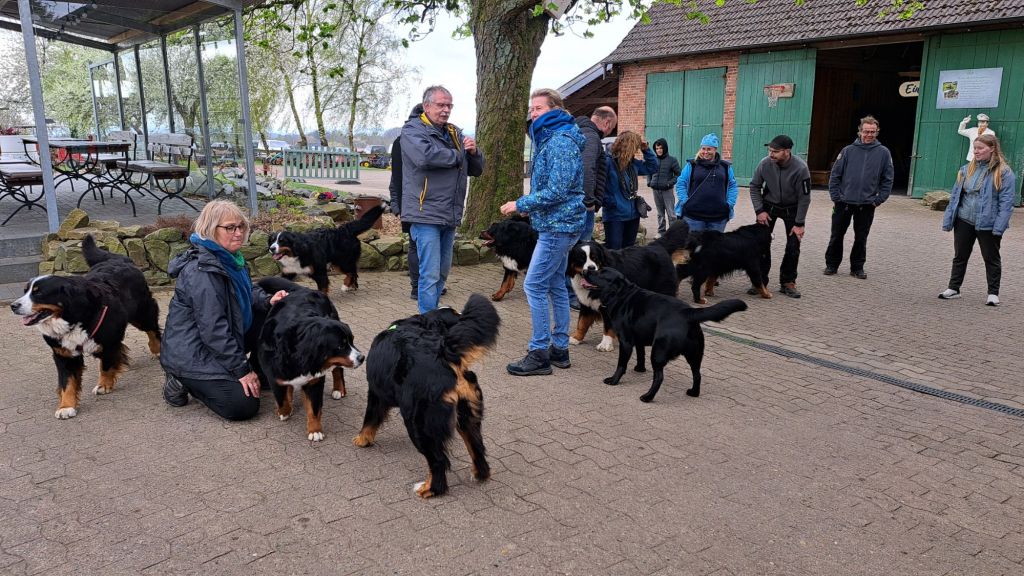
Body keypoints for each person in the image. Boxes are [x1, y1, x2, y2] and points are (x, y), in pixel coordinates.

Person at [161, 200, 287, 420]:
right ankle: (181, 379)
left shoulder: (231, 258)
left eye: (241, 226)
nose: (238, 233)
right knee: (242, 406)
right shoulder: (202, 272)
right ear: (211, 229)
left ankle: (258, 370)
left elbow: (246, 290)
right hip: (194, 352)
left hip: (221, 339)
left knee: (273, 312)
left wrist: (268, 301)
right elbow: (213, 330)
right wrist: (242, 371)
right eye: (230, 228)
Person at [500, 88, 586, 376]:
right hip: (555, 222)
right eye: (532, 109)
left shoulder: (560, 141)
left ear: (556, 109)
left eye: (539, 108)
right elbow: (554, 189)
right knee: (555, 285)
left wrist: (521, 204)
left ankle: (539, 353)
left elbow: (558, 190)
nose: (533, 113)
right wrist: (531, 208)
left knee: (534, 286)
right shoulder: (551, 138)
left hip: (558, 227)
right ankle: (559, 349)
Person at [400, 86, 484, 313]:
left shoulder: (454, 132)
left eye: (449, 105)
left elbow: (475, 170)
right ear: (426, 106)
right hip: (425, 213)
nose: (446, 110)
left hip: (449, 213)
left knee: (442, 272)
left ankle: (433, 312)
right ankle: (428, 320)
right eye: (441, 105)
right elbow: (425, 157)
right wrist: (460, 154)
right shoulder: (412, 131)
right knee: (429, 273)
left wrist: (474, 152)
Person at [938, 133, 1015, 306]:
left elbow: (1006, 203)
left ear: (992, 149)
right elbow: (955, 196)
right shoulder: (966, 169)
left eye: (980, 148)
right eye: (975, 148)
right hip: (964, 219)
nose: (976, 151)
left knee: (991, 258)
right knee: (960, 256)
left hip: (988, 223)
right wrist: (949, 219)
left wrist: (999, 227)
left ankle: (993, 293)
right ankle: (953, 288)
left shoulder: (1004, 172)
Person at [824, 115, 894, 279]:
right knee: (836, 236)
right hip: (843, 203)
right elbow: (835, 175)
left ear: (877, 132)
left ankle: (857, 268)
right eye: (866, 131)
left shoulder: (884, 153)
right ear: (860, 131)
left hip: (867, 204)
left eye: (872, 132)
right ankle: (831, 265)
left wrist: (878, 200)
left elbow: (888, 179)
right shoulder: (847, 151)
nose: (869, 135)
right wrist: (836, 197)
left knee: (861, 238)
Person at [748, 134, 812, 298]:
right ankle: (760, 282)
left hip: (792, 209)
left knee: (793, 246)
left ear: (787, 151)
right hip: (769, 207)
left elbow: (805, 198)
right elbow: (754, 186)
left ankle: (788, 282)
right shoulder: (764, 164)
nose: (771, 154)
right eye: (770, 150)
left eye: (775, 151)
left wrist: (799, 223)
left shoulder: (801, 168)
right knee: (761, 245)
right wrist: (759, 211)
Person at [567, 106, 617, 310]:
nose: (609, 132)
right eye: (611, 128)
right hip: (582, 206)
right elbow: (587, 169)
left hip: (576, 202)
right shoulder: (591, 136)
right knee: (578, 251)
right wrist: (589, 201)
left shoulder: (580, 130)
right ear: (606, 122)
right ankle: (573, 294)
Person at [602, 131, 659, 249]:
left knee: (629, 251)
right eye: (635, 147)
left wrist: (646, 150)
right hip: (615, 216)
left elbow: (653, 167)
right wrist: (610, 202)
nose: (635, 151)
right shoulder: (608, 162)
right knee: (614, 251)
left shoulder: (632, 163)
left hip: (633, 216)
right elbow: (598, 186)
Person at [674, 133, 739, 233]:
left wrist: (729, 204)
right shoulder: (692, 165)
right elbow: (681, 183)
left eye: (709, 149)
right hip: (693, 217)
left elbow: (732, 186)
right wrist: (685, 201)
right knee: (693, 243)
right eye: (703, 148)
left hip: (718, 218)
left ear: (715, 149)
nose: (705, 152)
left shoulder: (725, 167)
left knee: (714, 243)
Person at [647, 138, 681, 237]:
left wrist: (669, 184)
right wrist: (649, 182)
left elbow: (679, 174)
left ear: (665, 148)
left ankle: (673, 234)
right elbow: (648, 171)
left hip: (667, 191)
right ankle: (661, 232)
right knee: (660, 213)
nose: (659, 150)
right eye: (657, 148)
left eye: (661, 148)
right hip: (656, 190)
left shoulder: (672, 160)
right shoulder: (653, 160)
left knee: (671, 214)